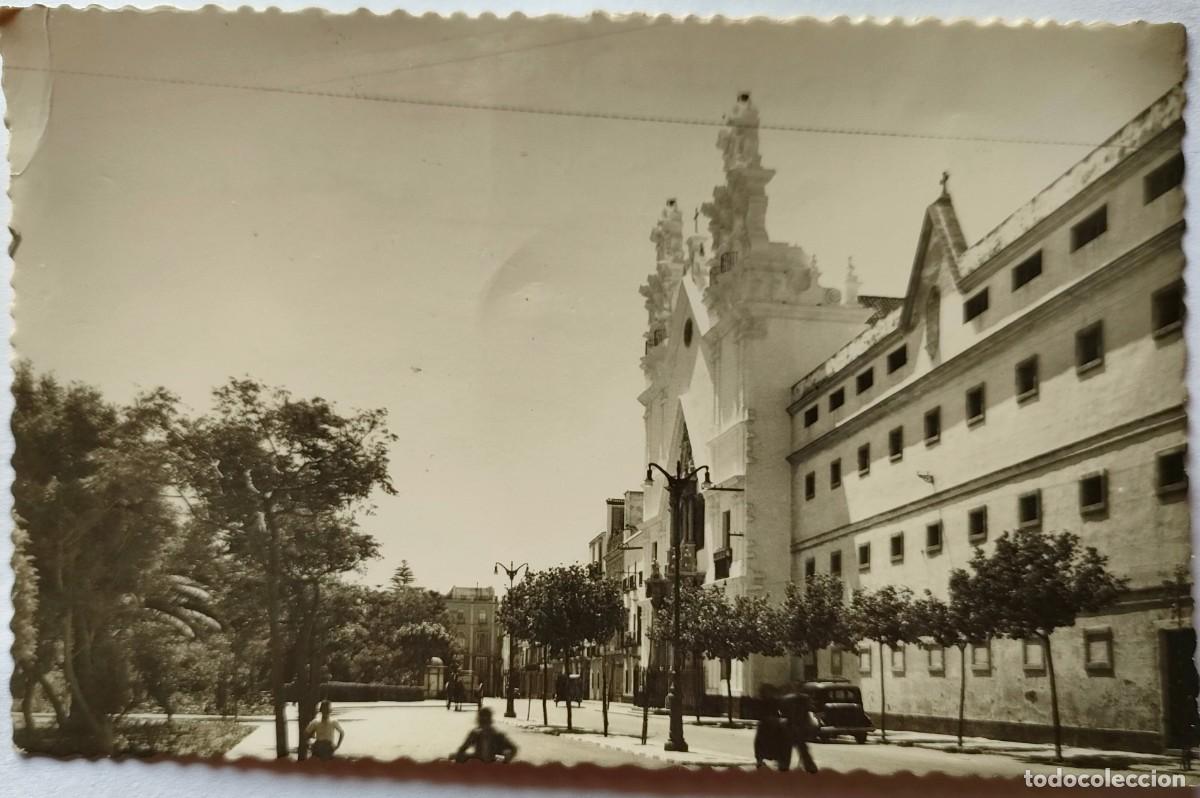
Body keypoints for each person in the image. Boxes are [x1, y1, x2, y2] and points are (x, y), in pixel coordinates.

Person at [754, 685, 791, 771]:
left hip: (772, 724)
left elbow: (780, 711)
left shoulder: (774, 701)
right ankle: (763, 759)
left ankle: (775, 760)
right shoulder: (764, 702)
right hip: (769, 724)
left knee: (781, 739)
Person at [781, 690, 820, 774]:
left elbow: (783, 712)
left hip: (790, 726)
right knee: (802, 748)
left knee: (787, 749)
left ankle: (784, 767)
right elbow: (810, 711)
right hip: (800, 727)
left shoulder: (787, 699)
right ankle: (810, 767)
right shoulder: (804, 700)